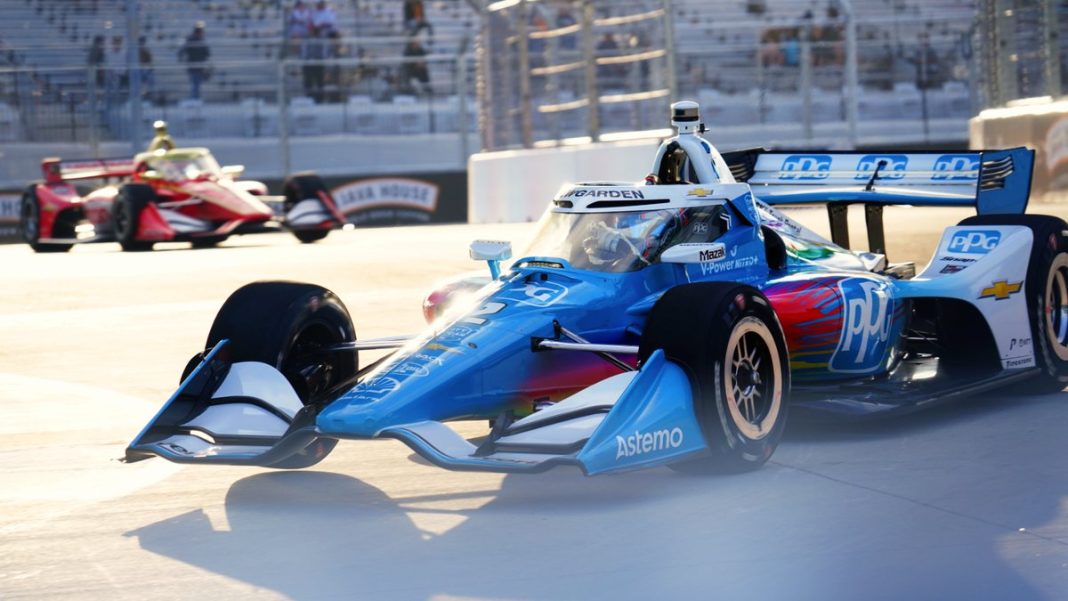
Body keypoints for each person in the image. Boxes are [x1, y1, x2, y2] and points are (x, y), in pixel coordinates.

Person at [178, 22, 211, 100]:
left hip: (199, 65)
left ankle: (195, 98)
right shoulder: (191, 39)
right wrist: (180, 56)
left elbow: (206, 52)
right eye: (201, 31)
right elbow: (183, 49)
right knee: (195, 83)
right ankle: (194, 98)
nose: (202, 33)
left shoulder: (201, 40)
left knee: (197, 83)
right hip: (193, 65)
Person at [301, 26, 327, 102]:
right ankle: (309, 98)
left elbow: (324, 51)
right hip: (308, 62)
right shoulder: (306, 39)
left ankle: (320, 99)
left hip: (319, 62)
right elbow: (304, 51)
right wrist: (306, 60)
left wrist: (321, 60)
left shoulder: (322, 39)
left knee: (320, 81)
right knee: (308, 81)